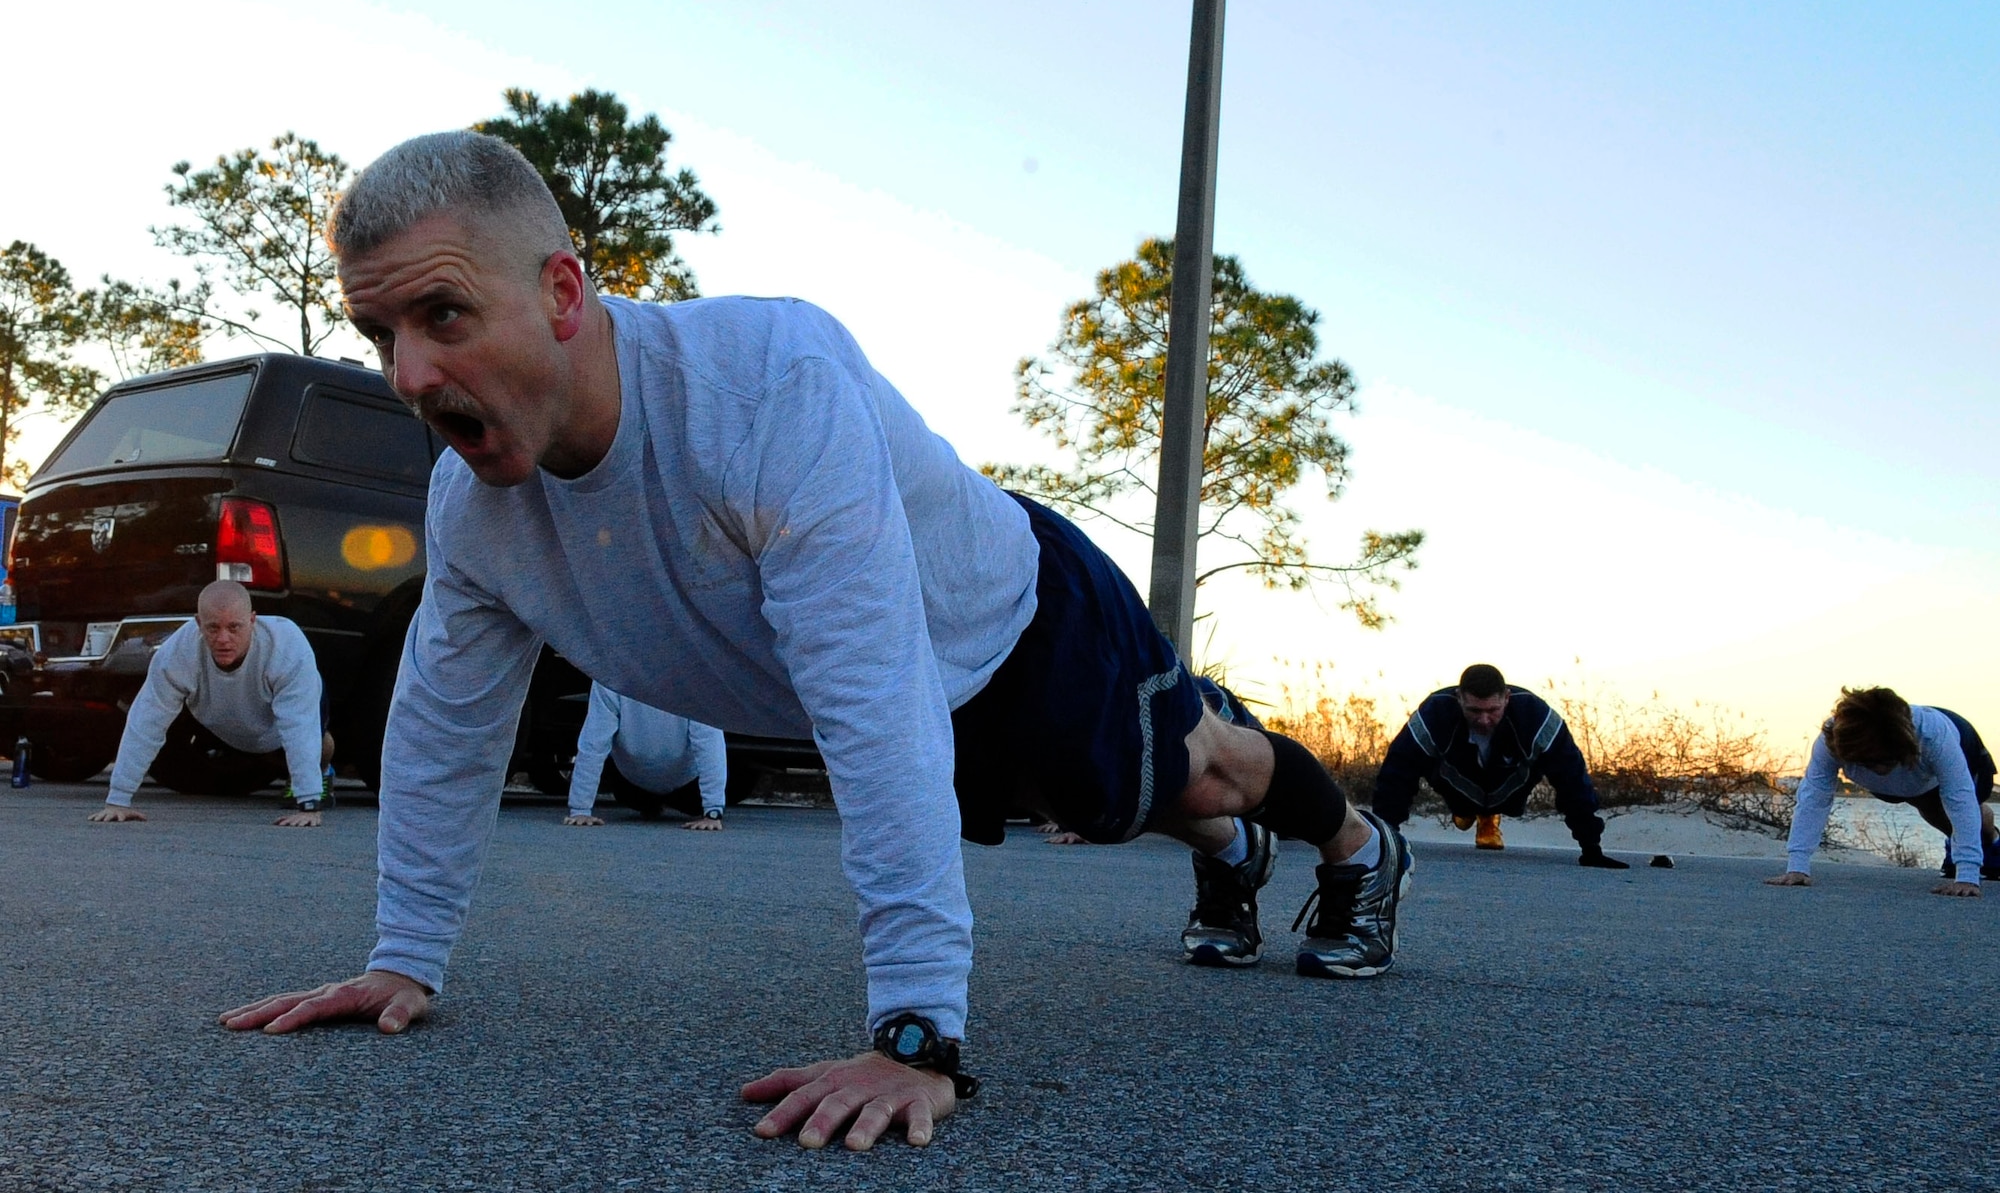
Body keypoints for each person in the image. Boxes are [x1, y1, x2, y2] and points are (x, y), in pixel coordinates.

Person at [218, 131, 1413, 1152]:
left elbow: (871, 693)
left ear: (564, 293)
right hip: (910, 706)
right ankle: (1226, 851)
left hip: (1019, 626)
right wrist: (402, 957)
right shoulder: (473, 509)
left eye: (443, 315)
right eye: (381, 334)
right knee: (1120, 805)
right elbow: (444, 721)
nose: (411, 374)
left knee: (1192, 761)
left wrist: (917, 1031)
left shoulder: (763, 393)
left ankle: (1358, 844)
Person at [86, 580, 332, 827]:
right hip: (220, 723)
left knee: (319, 743)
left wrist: (309, 803)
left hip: (277, 726)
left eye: (234, 627)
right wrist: (118, 800)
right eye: (213, 628)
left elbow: (299, 727)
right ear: (198, 623)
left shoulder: (286, 646)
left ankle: (319, 775)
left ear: (253, 621)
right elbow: (145, 723)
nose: (223, 639)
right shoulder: (177, 652)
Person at [1371, 664, 1628, 868]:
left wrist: (1591, 847)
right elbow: (1396, 776)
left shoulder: (1536, 717)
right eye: (1474, 710)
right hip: (1457, 789)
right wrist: (1385, 839)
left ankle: (1488, 817)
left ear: (1507, 698)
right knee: (1413, 761)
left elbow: (1572, 780)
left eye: (1493, 710)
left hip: (1510, 792)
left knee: (1559, 768)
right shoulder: (1433, 714)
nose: (1484, 720)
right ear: (1458, 698)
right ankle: (1472, 812)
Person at [1765, 687, 2000, 897]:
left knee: (1961, 811)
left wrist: (1967, 875)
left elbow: (1959, 797)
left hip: (1960, 747)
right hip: (1913, 780)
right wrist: (1797, 867)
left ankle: (1991, 843)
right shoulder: (1831, 740)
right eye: (1870, 762)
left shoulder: (1933, 734)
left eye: (1884, 761)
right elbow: (1813, 798)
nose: (1878, 769)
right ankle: (1961, 843)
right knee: (1930, 808)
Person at [562, 682, 729, 829]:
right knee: (635, 798)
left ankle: (659, 804)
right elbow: (594, 742)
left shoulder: (695, 681)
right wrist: (580, 810)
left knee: (694, 803)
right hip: (632, 786)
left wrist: (712, 811)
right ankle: (652, 804)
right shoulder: (609, 677)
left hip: (686, 786)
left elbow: (709, 744)